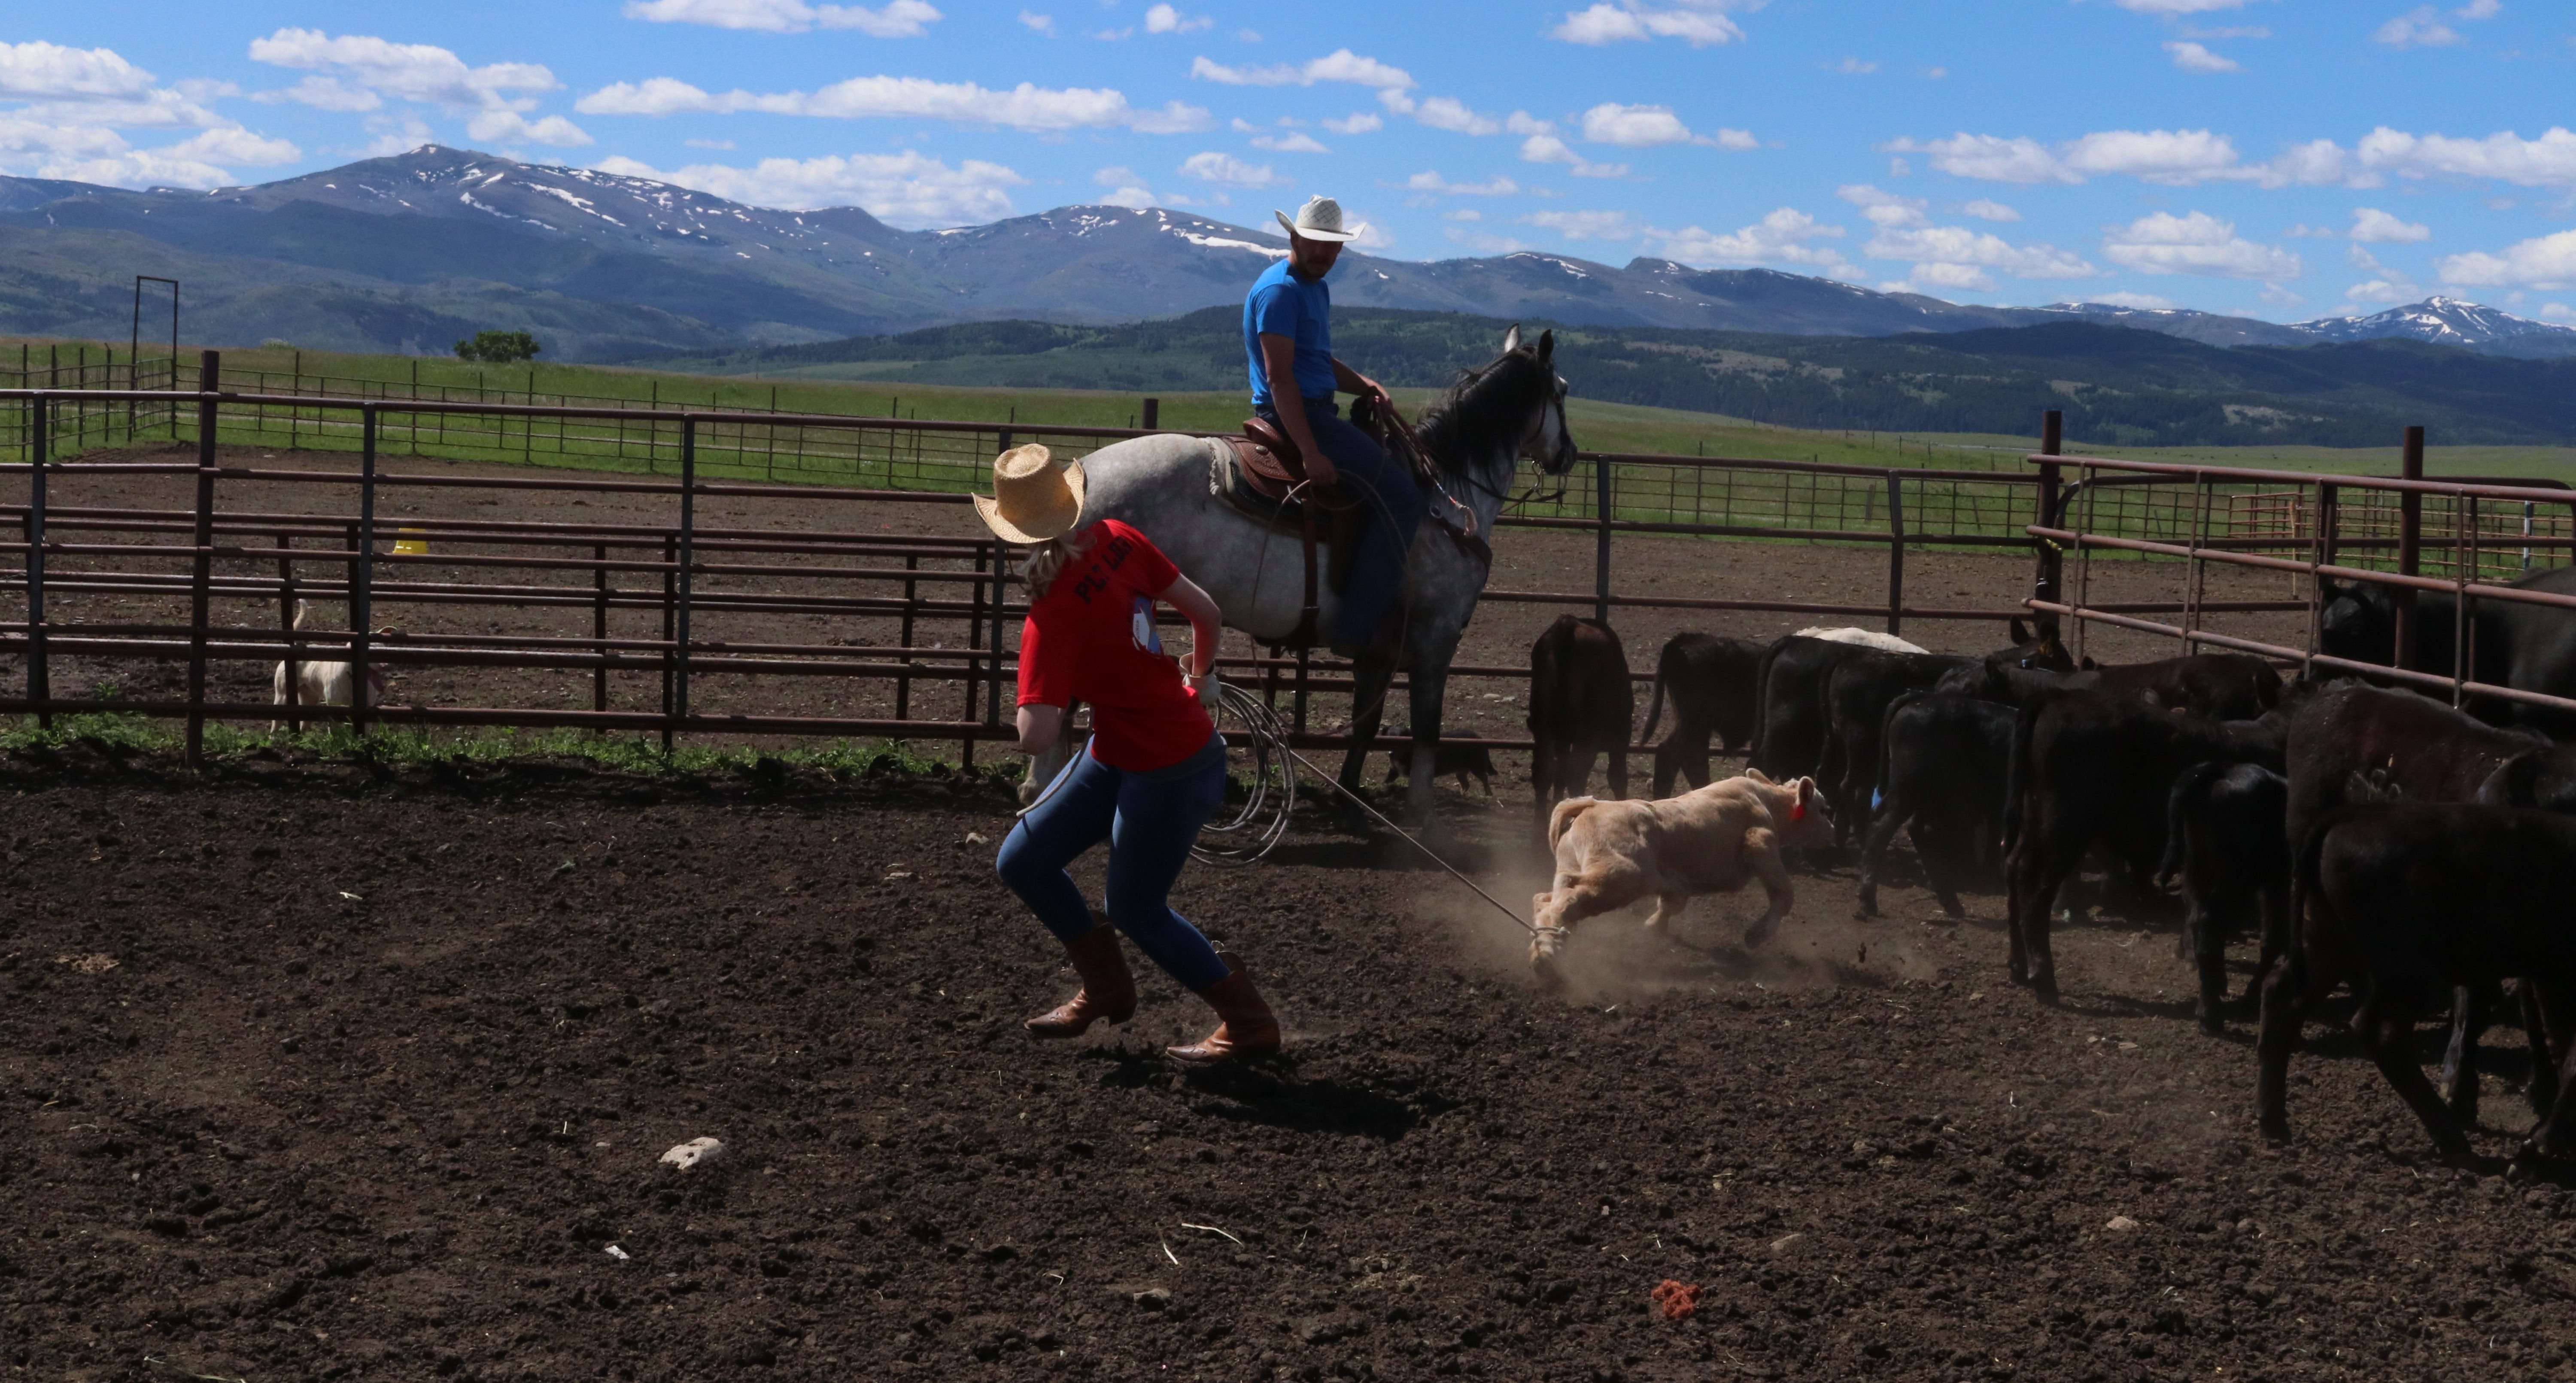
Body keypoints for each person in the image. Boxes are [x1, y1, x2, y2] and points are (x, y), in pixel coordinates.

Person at [979, 443, 1280, 1065]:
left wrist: (1039, 682)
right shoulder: (1118, 536)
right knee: (1024, 859)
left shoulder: (1049, 617)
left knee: (1136, 907)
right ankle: (1106, 984)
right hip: (1140, 748)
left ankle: (1248, 1020)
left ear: (1017, 535)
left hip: (1164, 766)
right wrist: (1200, 676)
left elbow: (1035, 736)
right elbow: (1206, 611)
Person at [1244, 194, 1422, 658]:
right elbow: (1281, 378)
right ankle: (1356, 625)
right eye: (1315, 243)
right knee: (1403, 496)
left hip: (1315, 408)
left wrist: (1364, 385)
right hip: (1301, 416)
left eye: (1332, 246)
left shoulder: (1312, 288)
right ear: (1294, 237)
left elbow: (1315, 360)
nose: (1324, 253)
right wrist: (1309, 450)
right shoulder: (1281, 291)